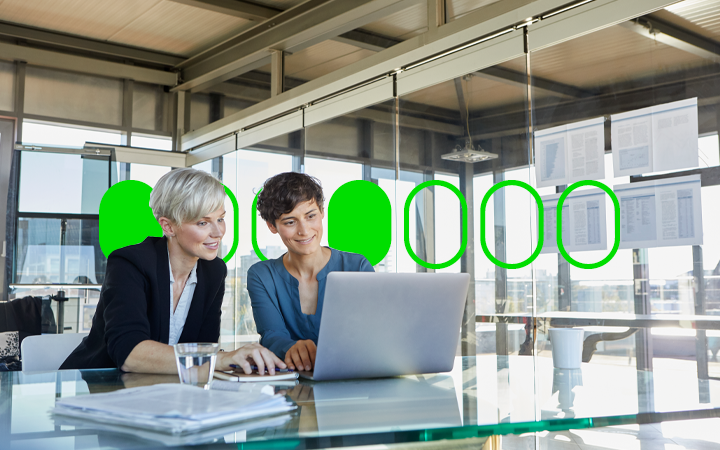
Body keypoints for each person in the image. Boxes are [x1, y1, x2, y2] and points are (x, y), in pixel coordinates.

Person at [61, 168, 284, 375]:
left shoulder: (214, 270)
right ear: (168, 226)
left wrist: (230, 359)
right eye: (203, 223)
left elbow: (203, 348)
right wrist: (221, 359)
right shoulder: (129, 262)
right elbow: (129, 354)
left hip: (163, 391)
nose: (218, 232)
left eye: (221, 219)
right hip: (95, 387)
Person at [248, 172, 374, 372]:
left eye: (311, 216)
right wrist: (291, 348)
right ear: (272, 226)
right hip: (291, 385)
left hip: (353, 376)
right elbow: (271, 334)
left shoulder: (356, 267)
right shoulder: (262, 275)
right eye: (290, 222)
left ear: (322, 211)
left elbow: (371, 333)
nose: (304, 231)